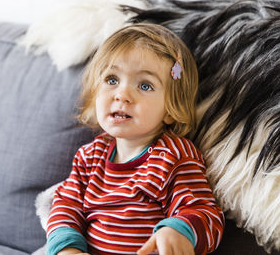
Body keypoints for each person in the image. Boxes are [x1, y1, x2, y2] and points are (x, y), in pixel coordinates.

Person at [46, 23, 224, 255]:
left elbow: (205, 212)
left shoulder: (173, 155)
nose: (122, 95)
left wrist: (180, 231)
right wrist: (66, 247)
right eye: (111, 80)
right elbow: (66, 205)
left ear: (170, 109)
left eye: (144, 85)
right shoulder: (89, 157)